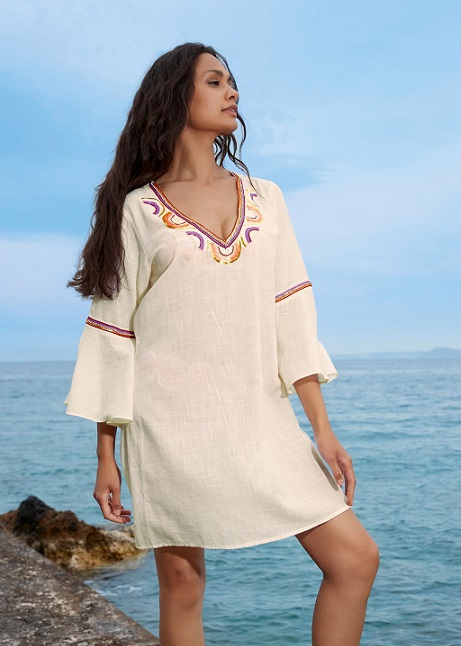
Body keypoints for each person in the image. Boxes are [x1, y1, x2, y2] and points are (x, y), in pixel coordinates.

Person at [65, 42, 379, 646]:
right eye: (214, 81)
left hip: (260, 416)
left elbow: (291, 313)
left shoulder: (266, 197)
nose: (232, 91)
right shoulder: (139, 210)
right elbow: (114, 333)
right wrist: (106, 454)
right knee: (183, 585)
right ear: (175, 96)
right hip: (168, 426)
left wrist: (322, 429)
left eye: (231, 82)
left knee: (355, 559)